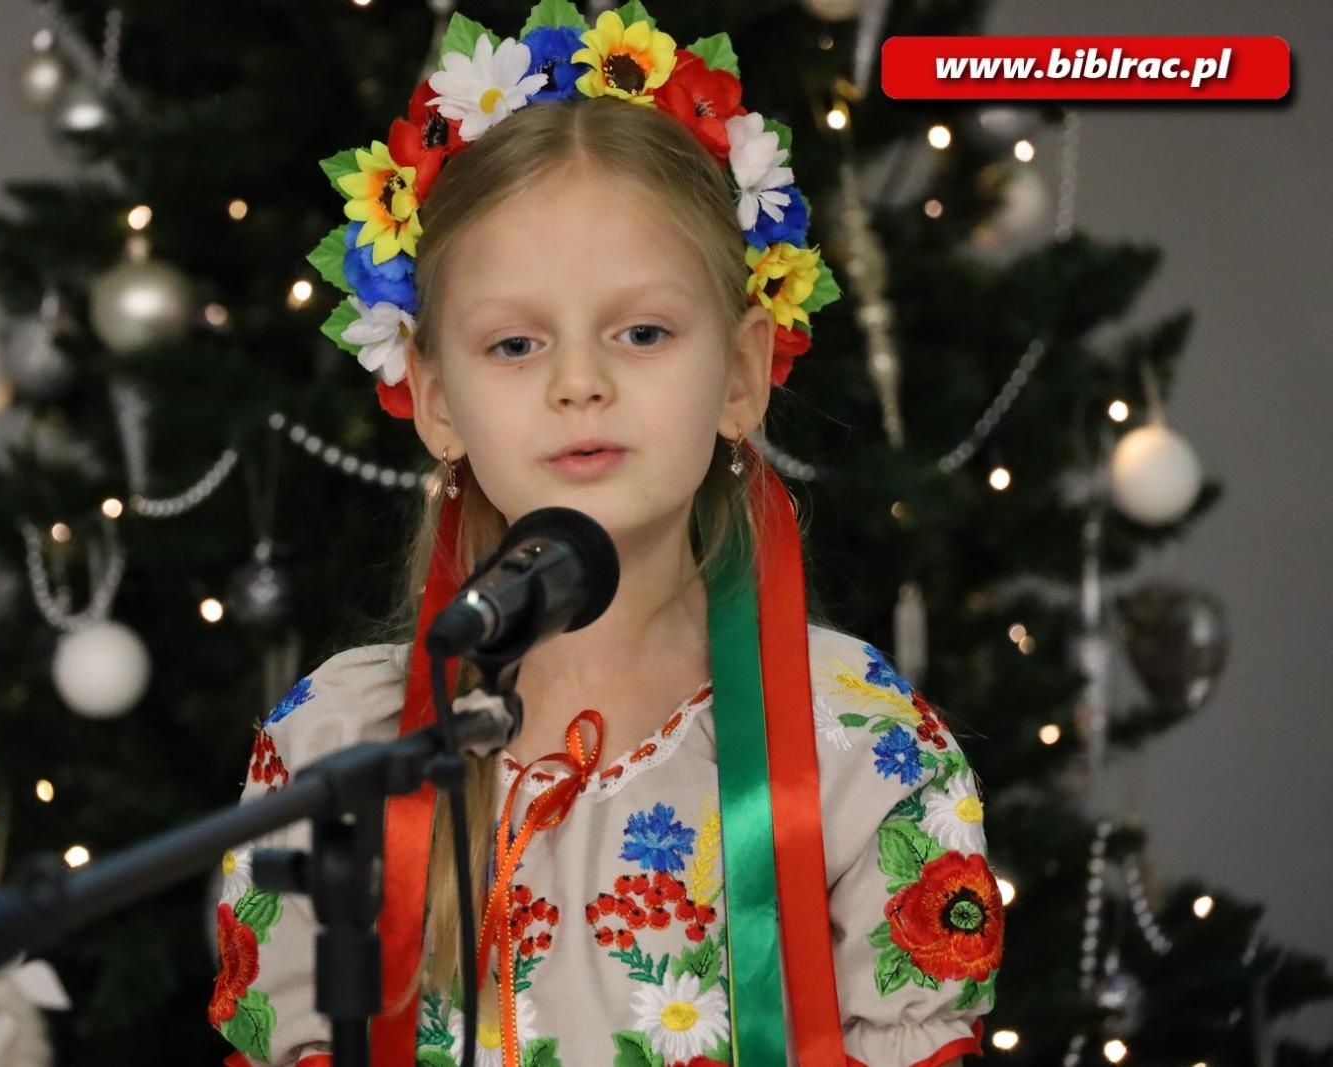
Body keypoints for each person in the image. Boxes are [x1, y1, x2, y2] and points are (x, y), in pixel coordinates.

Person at [210, 5, 1003, 1066]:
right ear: (436, 400)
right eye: (514, 341)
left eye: (641, 331)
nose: (579, 381)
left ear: (740, 371)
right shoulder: (335, 751)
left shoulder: (862, 752)